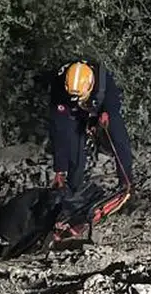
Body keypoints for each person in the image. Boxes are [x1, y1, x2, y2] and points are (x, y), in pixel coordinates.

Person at [48, 58, 134, 238]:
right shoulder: (59, 88)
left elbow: (113, 101)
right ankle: (73, 193)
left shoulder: (103, 79)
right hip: (73, 112)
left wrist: (105, 113)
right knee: (73, 145)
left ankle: (126, 184)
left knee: (119, 139)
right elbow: (60, 132)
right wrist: (59, 169)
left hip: (99, 106)